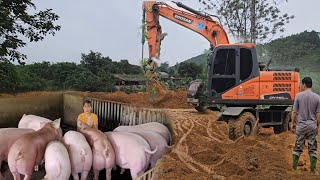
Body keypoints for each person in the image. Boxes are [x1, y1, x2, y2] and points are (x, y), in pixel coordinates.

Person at [292, 77, 320, 175]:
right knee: (313, 149)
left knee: (297, 148)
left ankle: (294, 170)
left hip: (301, 126)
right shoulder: (317, 97)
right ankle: (313, 171)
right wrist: (317, 125)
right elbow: (318, 114)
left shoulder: (298, 96)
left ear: (304, 84)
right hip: (312, 126)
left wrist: (293, 123)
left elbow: (294, 112)